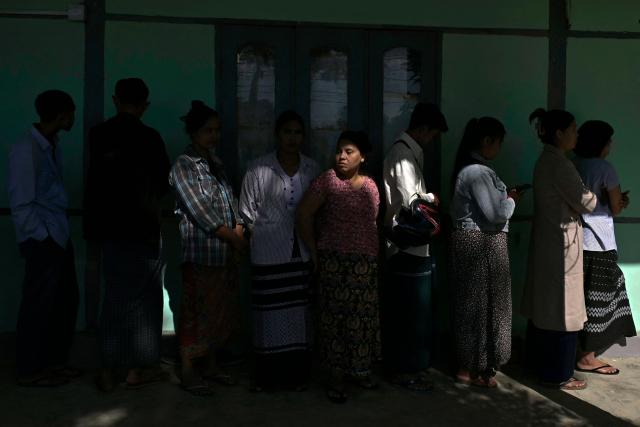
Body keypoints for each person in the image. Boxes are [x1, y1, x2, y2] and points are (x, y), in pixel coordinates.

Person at [85, 78, 171, 391]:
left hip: (110, 231)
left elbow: (95, 182)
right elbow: (164, 184)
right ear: (144, 105)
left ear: (115, 100)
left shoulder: (99, 135)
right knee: (146, 300)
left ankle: (107, 369)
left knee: (115, 296)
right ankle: (139, 368)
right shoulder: (150, 138)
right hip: (144, 229)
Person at [169, 100, 247, 396]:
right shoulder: (184, 166)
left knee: (219, 312)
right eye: (207, 130)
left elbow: (231, 202)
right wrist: (235, 238)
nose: (213, 136)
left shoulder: (217, 164)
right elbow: (202, 213)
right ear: (192, 133)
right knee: (195, 312)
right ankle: (189, 369)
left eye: (216, 130)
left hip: (224, 254)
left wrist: (239, 227)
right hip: (202, 252)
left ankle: (211, 366)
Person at [296, 131, 380, 404]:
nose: (341, 157)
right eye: (339, 151)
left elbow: (373, 220)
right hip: (334, 263)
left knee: (363, 319)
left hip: (364, 264)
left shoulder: (370, 186)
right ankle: (336, 377)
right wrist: (314, 250)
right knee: (334, 321)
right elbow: (304, 214)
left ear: (362, 156)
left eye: (349, 151)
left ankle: (360, 370)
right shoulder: (327, 181)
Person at [239, 111, 320, 391]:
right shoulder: (258, 168)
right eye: (287, 132)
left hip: (300, 255)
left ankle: (297, 376)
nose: (292, 138)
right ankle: (269, 377)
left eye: (298, 133)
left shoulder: (312, 169)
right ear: (277, 134)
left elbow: (318, 212)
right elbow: (246, 215)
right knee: (269, 319)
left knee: (299, 317)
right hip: (268, 255)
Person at [8, 90, 80, 387]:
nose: (73, 118)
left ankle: (53, 362)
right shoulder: (26, 150)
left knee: (64, 301)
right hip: (44, 238)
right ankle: (29, 369)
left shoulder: (50, 145)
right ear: (62, 115)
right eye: (71, 113)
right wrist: (43, 236)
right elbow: (21, 203)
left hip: (56, 235)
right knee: (38, 305)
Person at [521, 108, 597, 390]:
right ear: (559, 133)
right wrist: (590, 193)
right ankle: (558, 375)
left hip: (550, 242)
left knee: (545, 309)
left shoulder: (545, 161)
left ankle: (541, 367)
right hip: (562, 247)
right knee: (563, 313)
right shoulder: (561, 165)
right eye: (573, 129)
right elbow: (587, 202)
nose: (576, 135)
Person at [449, 117, 521, 388]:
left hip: (474, 242)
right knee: (480, 307)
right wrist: (512, 200)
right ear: (487, 141)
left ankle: (473, 366)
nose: (499, 149)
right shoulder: (478, 172)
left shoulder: (472, 169)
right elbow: (495, 214)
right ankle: (472, 368)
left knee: (475, 305)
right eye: (499, 142)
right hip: (481, 243)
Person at [381, 102, 448, 390]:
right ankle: (404, 370)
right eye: (432, 135)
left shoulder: (407, 154)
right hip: (406, 247)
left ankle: (410, 368)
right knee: (408, 313)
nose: (431, 141)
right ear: (422, 129)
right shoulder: (402, 156)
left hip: (412, 248)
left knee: (413, 312)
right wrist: (432, 198)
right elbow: (413, 204)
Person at [573, 120, 636, 375]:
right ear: (602, 144)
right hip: (599, 242)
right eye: (609, 141)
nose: (611, 146)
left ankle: (575, 351)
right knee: (599, 299)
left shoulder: (573, 165)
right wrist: (621, 201)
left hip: (577, 241)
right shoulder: (605, 168)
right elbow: (616, 205)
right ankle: (587, 357)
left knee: (580, 299)